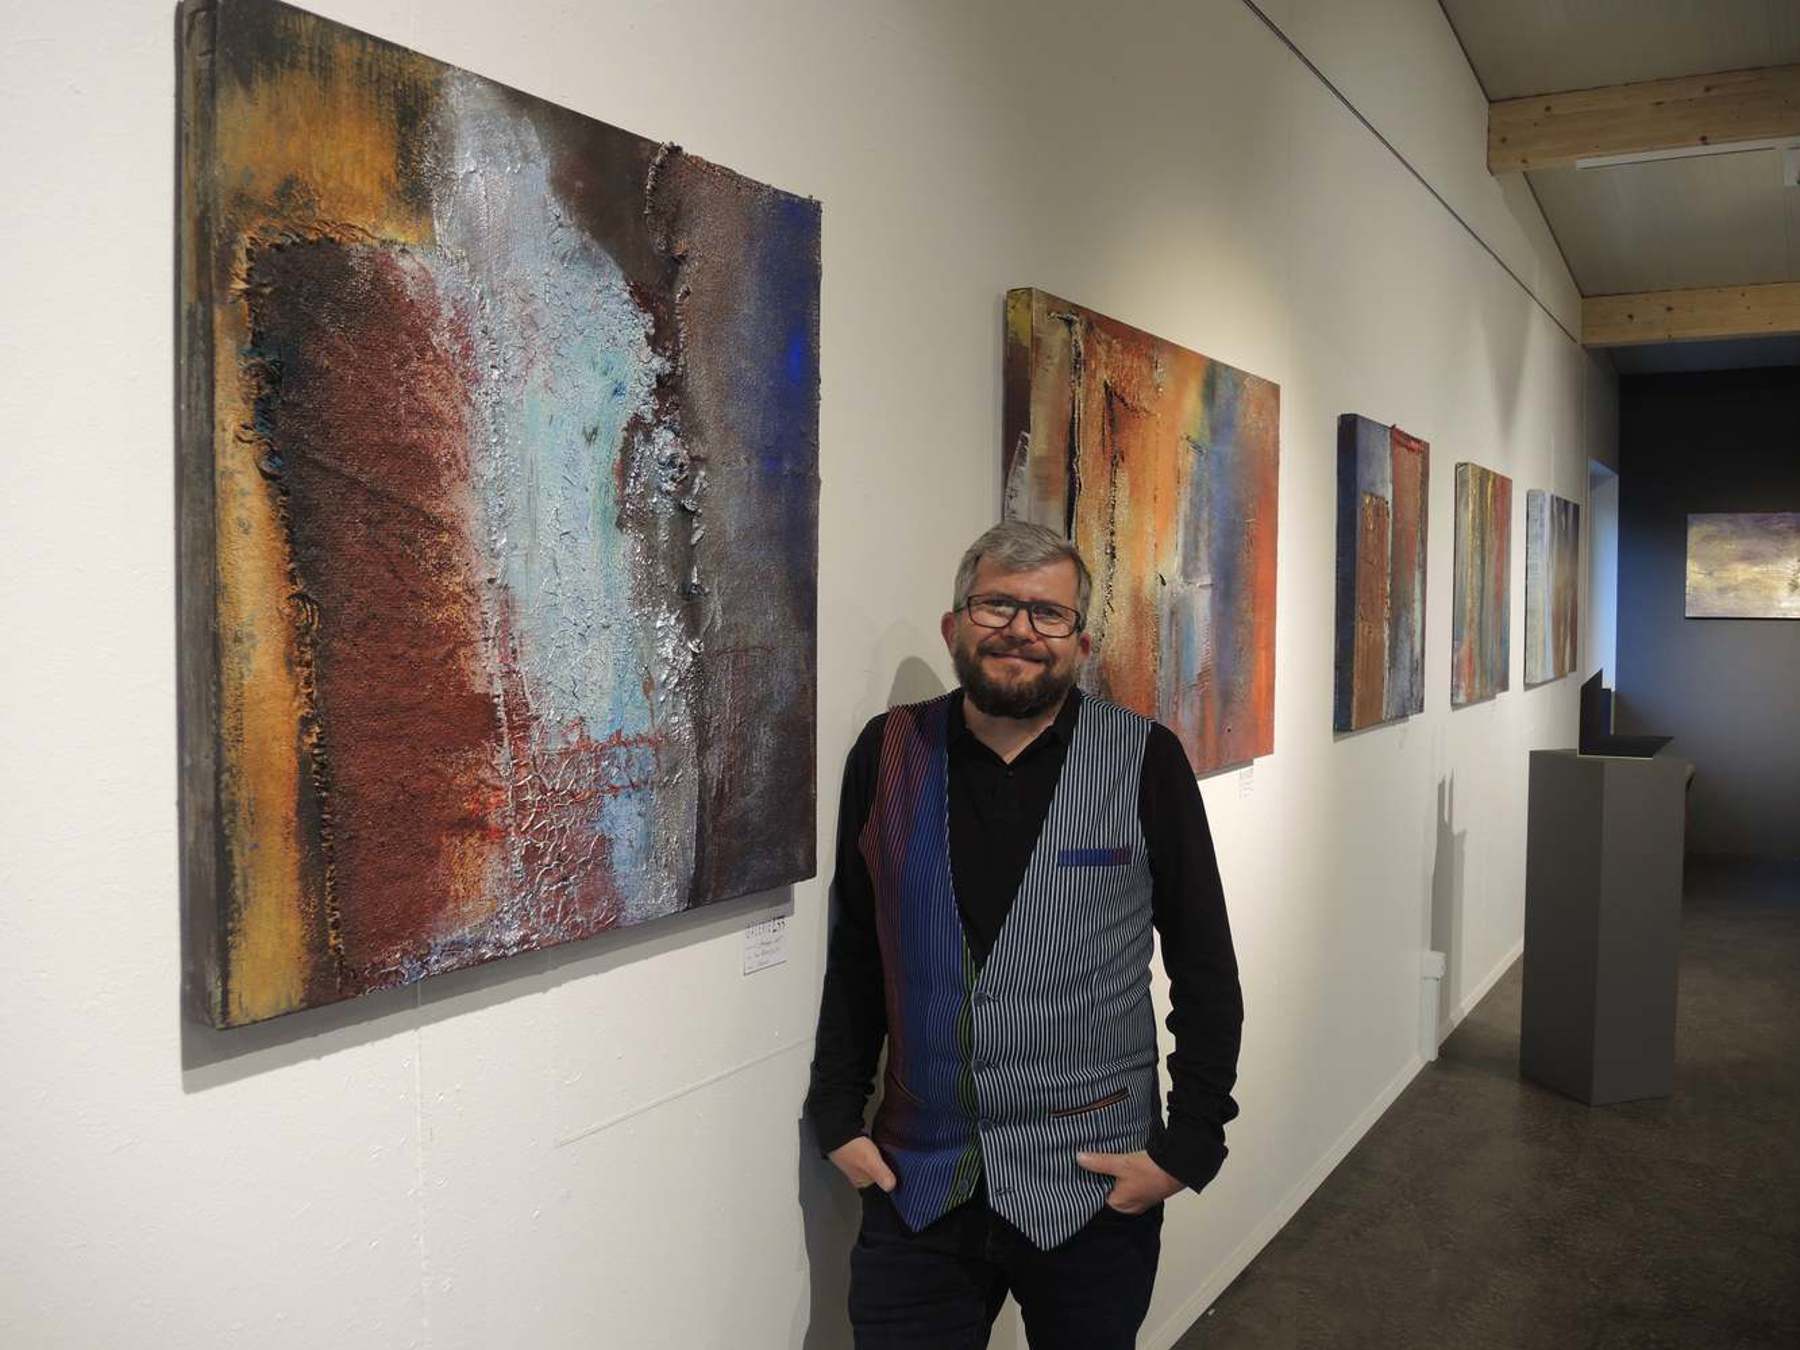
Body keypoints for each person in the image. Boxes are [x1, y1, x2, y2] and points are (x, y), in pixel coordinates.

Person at [805, 519, 1244, 1349]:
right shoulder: (887, 752)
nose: (1020, 630)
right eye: (996, 605)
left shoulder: (1145, 759)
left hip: (1093, 1187)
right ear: (954, 625)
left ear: (1080, 642)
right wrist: (837, 1112)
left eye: (1048, 614)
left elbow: (1204, 964)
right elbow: (859, 949)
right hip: (919, 1178)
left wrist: (1189, 1145)